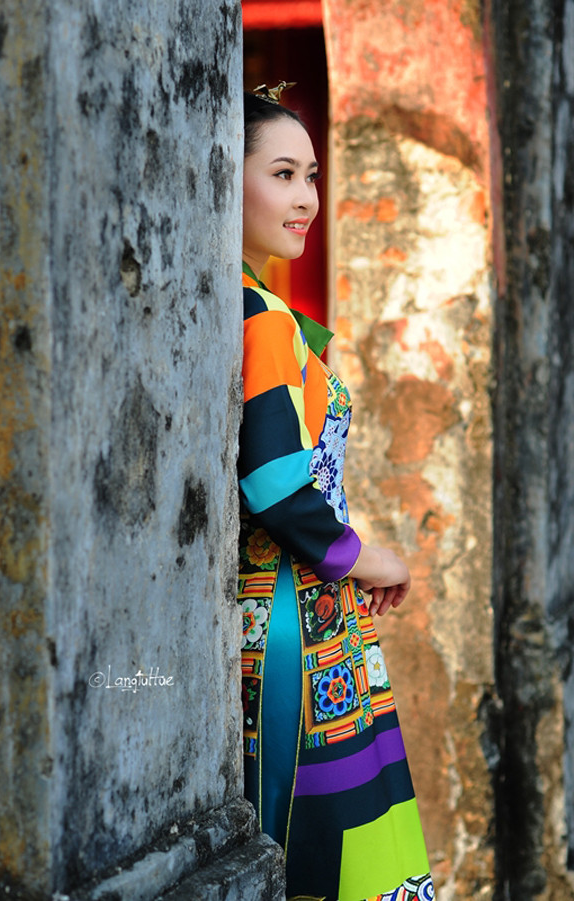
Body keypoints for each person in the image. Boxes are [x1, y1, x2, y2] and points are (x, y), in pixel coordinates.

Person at [238, 85, 435, 901]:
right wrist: (365, 556)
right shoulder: (260, 318)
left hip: (306, 618)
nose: (306, 198)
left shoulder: (257, 307)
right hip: (295, 625)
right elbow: (275, 483)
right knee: (319, 851)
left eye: (311, 176)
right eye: (282, 174)